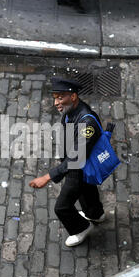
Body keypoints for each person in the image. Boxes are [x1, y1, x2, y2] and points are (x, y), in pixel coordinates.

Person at [29, 77, 107, 247]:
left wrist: (48, 177)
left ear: (73, 96)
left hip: (79, 167)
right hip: (78, 163)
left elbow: (76, 158)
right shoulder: (71, 110)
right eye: (55, 97)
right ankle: (95, 214)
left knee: (62, 207)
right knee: (86, 190)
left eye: (61, 97)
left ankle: (81, 228)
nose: (56, 102)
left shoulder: (87, 123)